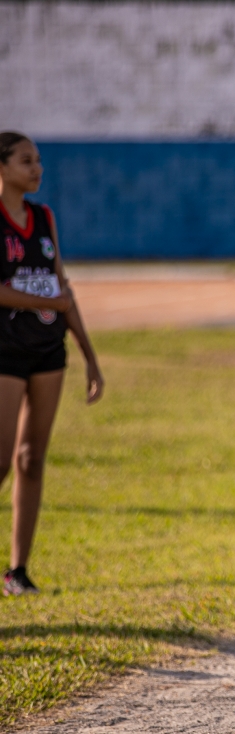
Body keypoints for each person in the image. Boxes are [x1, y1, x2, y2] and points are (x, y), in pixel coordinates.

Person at [0, 132, 104, 596]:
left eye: (38, 160)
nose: (37, 169)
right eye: (26, 161)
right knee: (1, 460)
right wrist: (47, 301)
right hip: (6, 351)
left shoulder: (44, 218)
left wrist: (89, 356)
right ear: (2, 168)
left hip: (48, 352)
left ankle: (17, 571)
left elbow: (61, 285)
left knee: (31, 458)